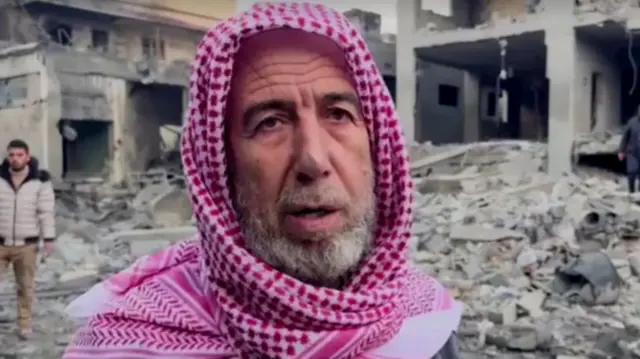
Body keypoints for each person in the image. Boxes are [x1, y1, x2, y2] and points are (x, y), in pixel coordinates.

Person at [62, 3, 462, 358]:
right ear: (220, 165)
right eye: (270, 123)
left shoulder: (423, 319)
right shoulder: (128, 343)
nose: (313, 160)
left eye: (338, 114)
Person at [0, 139, 55, 339]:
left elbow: (45, 212)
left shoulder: (40, 180)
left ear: (27, 156)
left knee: (25, 287)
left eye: (19, 155)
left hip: (27, 245)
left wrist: (48, 238)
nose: (15, 159)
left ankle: (24, 325)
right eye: (12, 155)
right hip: (1, 243)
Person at [619, 106, 640, 193]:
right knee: (632, 172)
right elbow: (625, 137)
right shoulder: (632, 122)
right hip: (632, 152)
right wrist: (621, 151)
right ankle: (631, 191)